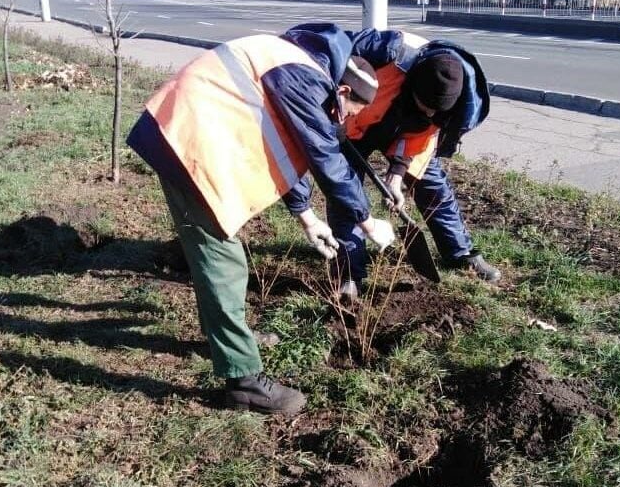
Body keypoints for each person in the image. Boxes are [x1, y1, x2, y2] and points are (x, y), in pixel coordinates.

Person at [126, 23, 394, 416]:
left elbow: (284, 146)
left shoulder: (298, 64)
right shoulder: (306, 77)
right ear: (343, 91)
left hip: (194, 131)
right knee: (223, 262)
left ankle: (228, 340)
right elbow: (324, 156)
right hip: (188, 139)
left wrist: (307, 219)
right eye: (348, 112)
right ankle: (244, 381)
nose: (344, 121)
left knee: (215, 258)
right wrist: (367, 220)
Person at [285, 30, 498, 298]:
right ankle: (350, 272)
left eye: (435, 112)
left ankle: (460, 252)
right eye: (424, 106)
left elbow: (421, 136)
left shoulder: (453, 100)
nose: (430, 114)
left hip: (400, 131)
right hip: (352, 124)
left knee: (433, 185)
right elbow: (330, 56)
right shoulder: (384, 51)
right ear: (413, 86)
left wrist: (397, 173)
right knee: (345, 193)